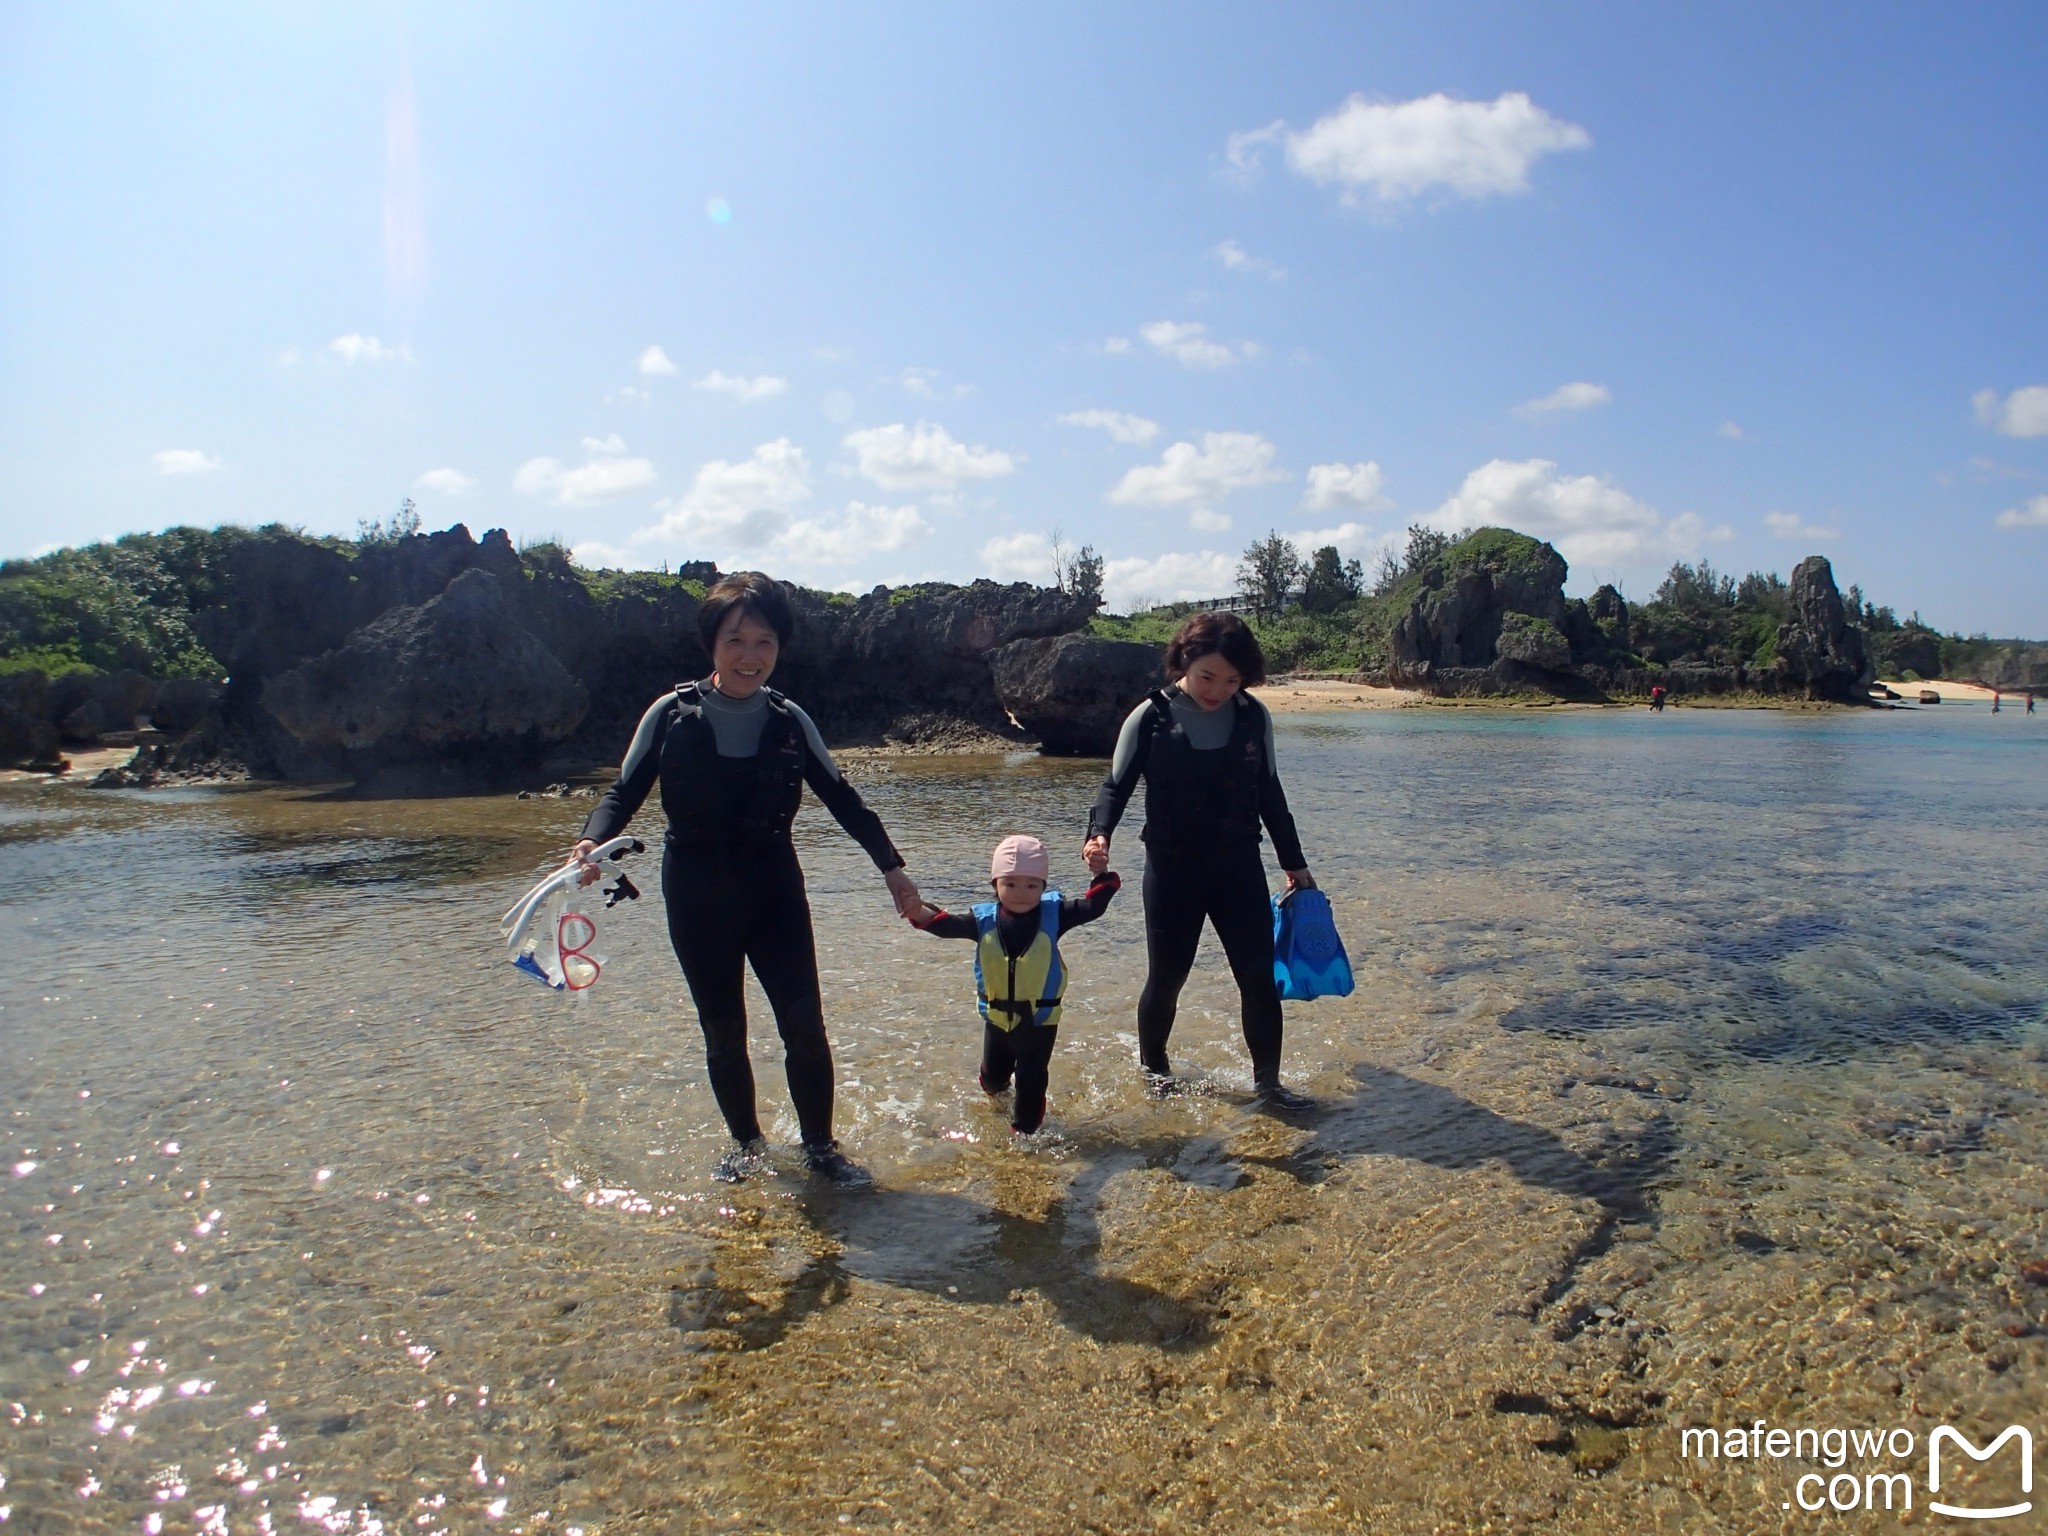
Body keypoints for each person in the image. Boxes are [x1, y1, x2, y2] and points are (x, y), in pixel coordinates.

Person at [572, 572, 921, 1188]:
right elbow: (622, 792)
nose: (750, 656)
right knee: (723, 1029)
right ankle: (748, 1146)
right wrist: (592, 841)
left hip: (774, 892)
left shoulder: (790, 720)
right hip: (696, 894)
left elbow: (845, 800)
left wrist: (893, 870)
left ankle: (821, 1149)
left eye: (764, 642)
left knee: (804, 1025)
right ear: (712, 643)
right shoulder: (670, 715)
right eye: (736, 640)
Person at [1085, 611, 1317, 1110]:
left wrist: (1294, 863)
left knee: (1258, 978)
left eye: (1233, 680)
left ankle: (1269, 1086)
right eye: (1209, 676)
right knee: (1167, 978)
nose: (1218, 690)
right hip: (1172, 871)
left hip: (1238, 868)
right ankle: (1156, 1075)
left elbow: (1270, 794)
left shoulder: (1252, 715)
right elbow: (1115, 786)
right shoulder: (1149, 717)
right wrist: (1098, 835)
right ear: (1183, 663)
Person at [907, 834, 1121, 1135]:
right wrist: (916, 910)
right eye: (1010, 884)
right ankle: (998, 1096)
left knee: (1031, 1081)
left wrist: (1100, 871)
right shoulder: (981, 921)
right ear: (995, 884)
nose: (1021, 893)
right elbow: (945, 924)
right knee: (993, 1079)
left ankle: (1025, 1137)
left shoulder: (1055, 915)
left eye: (1032, 885)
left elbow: (1094, 905)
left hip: (1038, 1022)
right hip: (997, 1019)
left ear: (1043, 886)